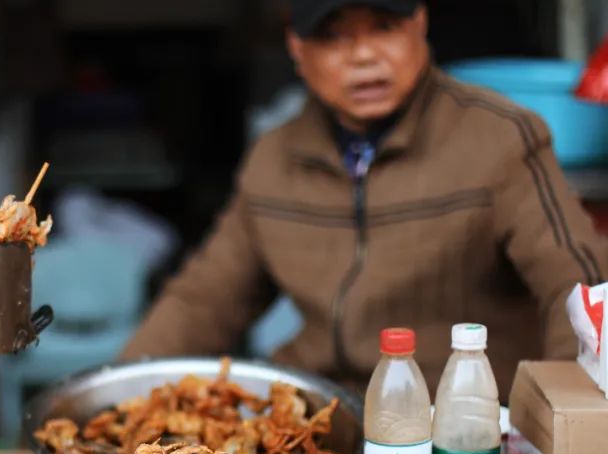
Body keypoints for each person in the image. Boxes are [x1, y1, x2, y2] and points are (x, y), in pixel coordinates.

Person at [121, 0, 608, 398]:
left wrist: (557, 422)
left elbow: (578, 287)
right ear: (296, 47)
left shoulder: (501, 137)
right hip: (319, 424)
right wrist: (115, 394)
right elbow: (205, 300)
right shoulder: (274, 158)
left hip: (460, 428)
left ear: (421, 22)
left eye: (384, 27)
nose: (363, 55)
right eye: (334, 36)